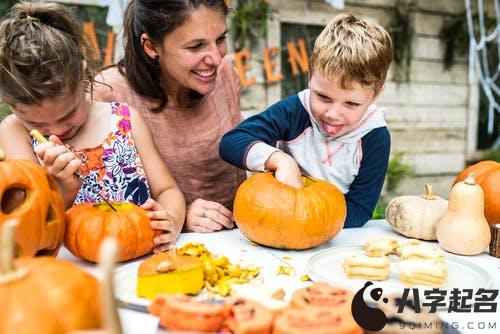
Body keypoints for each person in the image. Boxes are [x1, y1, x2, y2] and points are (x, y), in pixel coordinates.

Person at [0, 1, 185, 253]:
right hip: (68, 273)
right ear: (11, 106)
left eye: (69, 113)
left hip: (139, 260)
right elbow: (29, 228)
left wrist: (171, 220)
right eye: (36, 124)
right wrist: (61, 188)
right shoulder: (14, 133)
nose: (56, 130)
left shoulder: (124, 120)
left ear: (84, 77)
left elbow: (167, 190)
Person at [219, 13, 393, 228]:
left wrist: (305, 221)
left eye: (351, 104)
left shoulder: (375, 137)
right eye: (323, 97)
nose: (333, 114)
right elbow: (232, 141)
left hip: (329, 234)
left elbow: (360, 210)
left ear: (375, 95)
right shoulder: (295, 111)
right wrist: (281, 160)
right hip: (275, 219)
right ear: (310, 76)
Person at [93, 0, 246, 233]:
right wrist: (177, 217)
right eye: (196, 46)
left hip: (242, 238)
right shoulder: (108, 94)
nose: (216, 58)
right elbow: (96, 207)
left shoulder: (225, 73)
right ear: (151, 46)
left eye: (221, 39)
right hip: (160, 249)